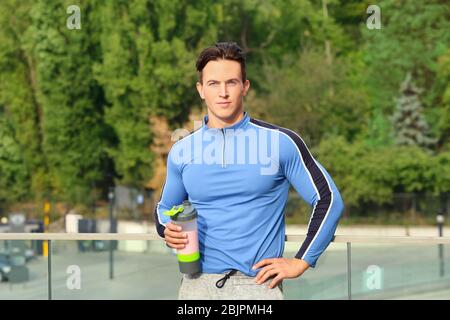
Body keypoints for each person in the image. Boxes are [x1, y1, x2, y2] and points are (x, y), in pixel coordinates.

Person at [154, 42, 344, 300]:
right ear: (201, 90)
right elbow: (164, 209)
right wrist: (168, 228)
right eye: (213, 84)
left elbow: (329, 199)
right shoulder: (182, 150)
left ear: (245, 87)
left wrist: (302, 261)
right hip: (195, 287)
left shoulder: (280, 142)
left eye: (231, 82)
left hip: (257, 286)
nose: (223, 93)